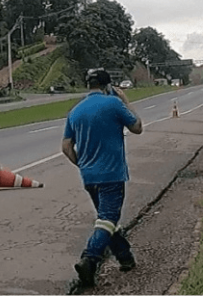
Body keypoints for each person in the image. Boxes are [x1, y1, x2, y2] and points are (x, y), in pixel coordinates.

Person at [61, 69, 143, 287]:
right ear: (108, 86)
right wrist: (125, 100)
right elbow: (137, 127)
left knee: (106, 220)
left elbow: (66, 146)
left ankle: (125, 257)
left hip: (89, 177)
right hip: (111, 174)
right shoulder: (114, 104)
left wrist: (82, 164)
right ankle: (90, 257)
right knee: (107, 219)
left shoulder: (75, 111)